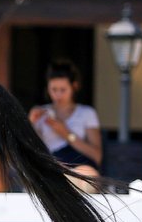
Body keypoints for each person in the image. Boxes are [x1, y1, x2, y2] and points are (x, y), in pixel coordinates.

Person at [29, 59, 103, 191]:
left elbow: (96, 156)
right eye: (54, 89)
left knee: (86, 180)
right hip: (50, 167)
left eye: (63, 90)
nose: (57, 95)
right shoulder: (41, 113)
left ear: (74, 87)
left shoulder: (86, 113)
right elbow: (32, 150)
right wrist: (30, 124)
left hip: (79, 168)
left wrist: (66, 133)